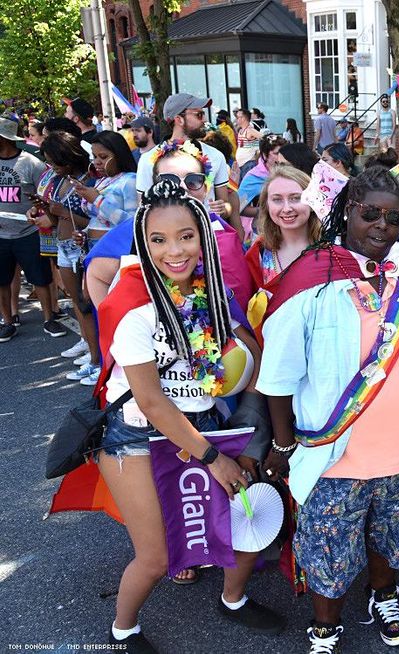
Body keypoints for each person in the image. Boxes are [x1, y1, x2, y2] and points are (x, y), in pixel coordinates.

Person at [257, 167, 399, 654]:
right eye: (370, 214)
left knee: (392, 537)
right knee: (328, 547)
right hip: (335, 451)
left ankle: (384, 594)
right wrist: (281, 442)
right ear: (346, 212)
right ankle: (325, 623)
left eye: (393, 217)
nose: (382, 225)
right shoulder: (310, 277)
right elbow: (277, 375)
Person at [93, 179, 283, 653]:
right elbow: (153, 402)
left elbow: (252, 354)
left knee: (245, 519)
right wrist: (213, 457)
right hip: (137, 434)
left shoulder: (213, 296)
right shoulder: (133, 307)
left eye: (185, 236)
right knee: (156, 557)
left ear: (203, 237)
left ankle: (233, 599)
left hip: (204, 425)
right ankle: (123, 630)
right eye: (158, 240)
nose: (174, 251)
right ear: (143, 244)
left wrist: (245, 367)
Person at [86, 139, 251, 319]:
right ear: (154, 186)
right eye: (168, 180)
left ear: (205, 188)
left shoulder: (221, 230)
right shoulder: (138, 228)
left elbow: (240, 299)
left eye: (193, 180)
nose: (180, 188)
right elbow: (95, 276)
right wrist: (117, 325)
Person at [34, 132, 99, 382]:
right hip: (62, 246)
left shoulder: (89, 181)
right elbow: (56, 216)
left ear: (69, 158)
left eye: (55, 162)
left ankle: (97, 360)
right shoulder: (59, 179)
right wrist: (46, 212)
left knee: (88, 305)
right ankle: (93, 357)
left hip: (81, 246)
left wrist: (62, 212)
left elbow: (97, 220)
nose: (52, 167)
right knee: (77, 305)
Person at [0, 117, 65, 342]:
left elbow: (47, 192)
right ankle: (8, 322)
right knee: (2, 280)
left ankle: (49, 319)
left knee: (40, 277)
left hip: (29, 231)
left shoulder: (29, 162)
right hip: (1, 235)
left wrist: (44, 214)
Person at [136, 94, 238, 237]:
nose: (205, 120)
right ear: (179, 119)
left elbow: (226, 206)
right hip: (170, 240)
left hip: (209, 237)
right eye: (199, 114)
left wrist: (223, 209)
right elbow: (142, 208)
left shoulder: (216, 156)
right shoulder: (148, 160)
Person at [244, 166, 318, 341]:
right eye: (277, 200)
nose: (287, 208)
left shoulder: (332, 252)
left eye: (295, 198)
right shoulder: (259, 253)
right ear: (267, 206)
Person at [71, 131, 139, 243]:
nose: (96, 162)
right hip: (93, 247)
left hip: (115, 250)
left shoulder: (130, 180)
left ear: (118, 155)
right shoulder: (101, 181)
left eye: (103, 157)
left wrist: (97, 200)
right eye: (94, 156)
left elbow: (132, 223)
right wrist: (84, 234)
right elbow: (97, 220)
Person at [238, 133, 286, 221]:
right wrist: (266, 212)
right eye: (276, 153)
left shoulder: (290, 169)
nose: (281, 157)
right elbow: (239, 206)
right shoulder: (253, 177)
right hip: (264, 229)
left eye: (283, 152)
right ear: (264, 155)